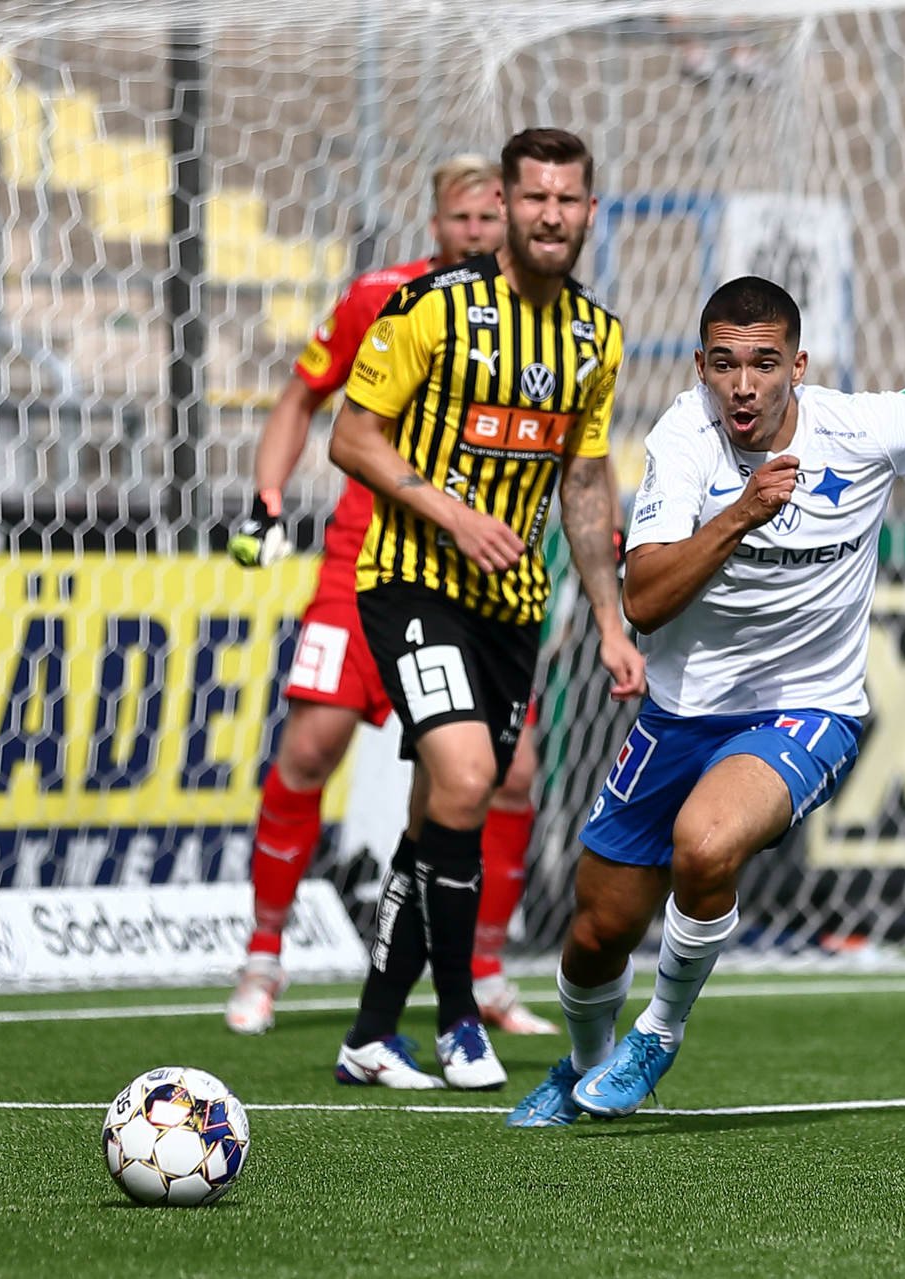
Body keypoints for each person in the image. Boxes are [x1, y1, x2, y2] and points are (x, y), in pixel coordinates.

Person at [505, 275, 905, 1127]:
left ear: (797, 366)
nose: (744, 386)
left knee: (706, 844)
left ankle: (659, 1032)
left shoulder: (863, 427)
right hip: (680, 711)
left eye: (765, 364)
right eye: (726, 365)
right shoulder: (682, 441)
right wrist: (739, 515)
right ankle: (589, 1070)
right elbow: (646, 599)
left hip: (810, 707)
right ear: (700, 366)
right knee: (595, 932)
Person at [326, 127, 646, 1090]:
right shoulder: (436, 308)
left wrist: (608, 616)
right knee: (466, 778)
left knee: (441, 810)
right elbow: (352, 437)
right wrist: (452, 514)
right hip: (412, 580)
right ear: (504, 205)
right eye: (535, 197)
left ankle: (371, 1034)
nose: (552, 214)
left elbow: (585, 484)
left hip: (515, 605)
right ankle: (462, 1016)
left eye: (569, 199)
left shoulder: (598, 336)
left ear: (590, 212)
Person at [223, 156, 557, 1039]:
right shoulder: (383, 297)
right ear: (436, 222)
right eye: (463, 218)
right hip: (362, 561)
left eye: (494, 217)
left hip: (469, 575)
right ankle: (263, 957)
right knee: (312, 745)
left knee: (510, 772)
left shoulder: (541, 320)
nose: (479, 232)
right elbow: (303, 399)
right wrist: (266, 499)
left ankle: (484, 970)